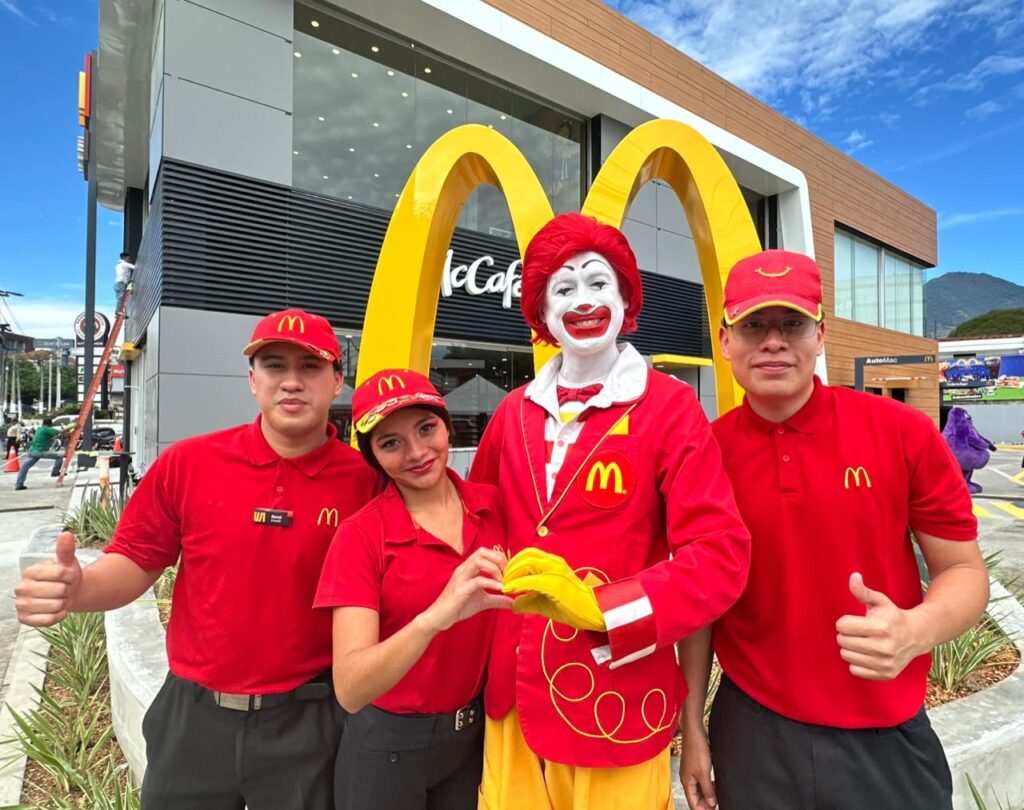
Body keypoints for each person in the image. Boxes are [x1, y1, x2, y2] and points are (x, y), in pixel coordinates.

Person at [14, 308, 380, 810]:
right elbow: (138, 561)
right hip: (193, 718)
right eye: (275, 365)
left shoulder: (367, 482)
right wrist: (80, 590)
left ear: (338, 381)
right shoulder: (189, 464)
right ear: (252, 380)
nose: (292, 382)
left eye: (310, 367)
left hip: (310, 722)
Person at [678, 250, 989, 810]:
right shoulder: (702, 453)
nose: (773, 341)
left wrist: (916, 629)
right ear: (724, 341)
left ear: (820, 334)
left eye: (792, 324)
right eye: (753, 325)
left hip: (885, 729)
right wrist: (692, 725)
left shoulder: (901, 433)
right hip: (752, 730)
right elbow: (699, 602)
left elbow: (964, 572)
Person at [470, 213, 751, 810]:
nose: (583, 301)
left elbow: (719, 554)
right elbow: (480, 521)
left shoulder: (670, 408)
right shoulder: (511, 412)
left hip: (616, 694)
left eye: (598, 283)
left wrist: (605, 608)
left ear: (626, 298)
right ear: (541, 314)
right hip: (514, 694)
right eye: (563, 289)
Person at [315, 368, 512, 810]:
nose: (418, 452)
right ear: (374, 458)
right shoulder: (361, 536)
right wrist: (435, 617)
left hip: (476, 740)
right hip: (387, 748)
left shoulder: (496, 507)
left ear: (447, 426)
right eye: (391, 443)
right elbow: (350, 687)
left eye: (426, 428)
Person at [14, 417, 62, 490]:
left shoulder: (39, 429)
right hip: (40, 451)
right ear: (50, 424)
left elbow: (47, 438)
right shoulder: (47, 429)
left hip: (31, 451)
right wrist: (72, 427)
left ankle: (19, 484)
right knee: (59, 457)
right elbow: (61, 432)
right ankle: (55, 472)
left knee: (24, 467)